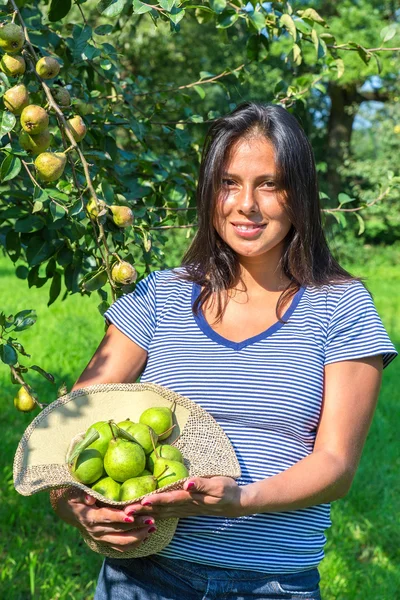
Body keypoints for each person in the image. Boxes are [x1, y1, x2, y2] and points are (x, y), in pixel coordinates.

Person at [51, 102, 398, 600]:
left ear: (299, 195)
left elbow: (337, 465)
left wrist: (243, 499)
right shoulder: (160, 296)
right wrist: (77, 509)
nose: (246, 204)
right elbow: (67, 426)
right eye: (229, 183)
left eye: (270, 184)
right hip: (143, 577)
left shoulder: (341, 307)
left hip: (271, 584)